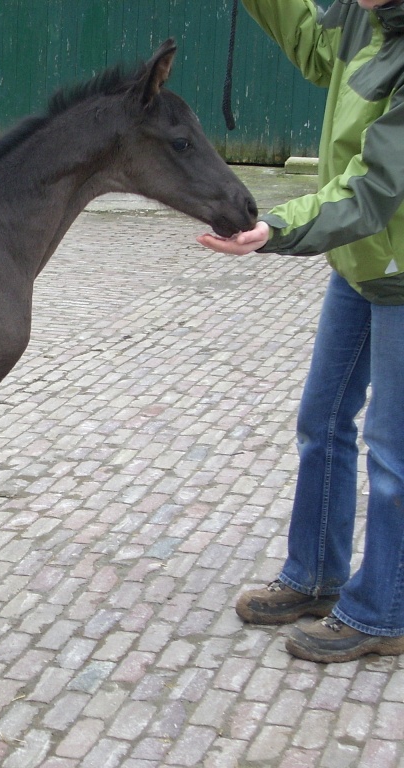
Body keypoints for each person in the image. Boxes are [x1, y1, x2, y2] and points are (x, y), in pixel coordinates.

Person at [197, 0, 404, 663]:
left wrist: (276, 229)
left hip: (398, 268)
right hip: (360, 261)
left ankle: (384, 613)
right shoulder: (366, 14)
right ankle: (315, 575)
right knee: (323, 418)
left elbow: (375, 187)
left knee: (393, 452)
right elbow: (313, 39)